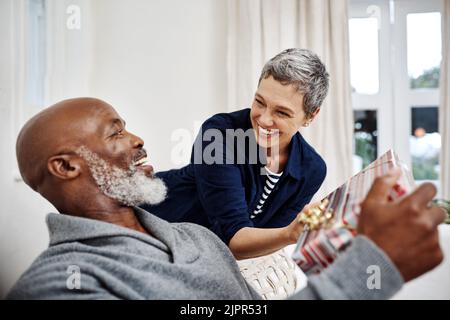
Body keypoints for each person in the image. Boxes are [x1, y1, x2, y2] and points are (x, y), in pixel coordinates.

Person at [7, 98, 445, 300]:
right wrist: (373, 266)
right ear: (65, 167)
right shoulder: (62, 286)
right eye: (117, 132)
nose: (139, 139)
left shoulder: (199, 240)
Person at [143, 49, 329, 259]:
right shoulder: (218, 134)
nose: (264, 119)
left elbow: (265, 241)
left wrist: (288, 234)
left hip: (199, 256)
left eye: (282, 112)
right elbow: (232, 238)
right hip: (150, 231)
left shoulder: (312, 170)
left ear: (310, 116)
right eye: (259, 102)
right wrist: (290, 234)